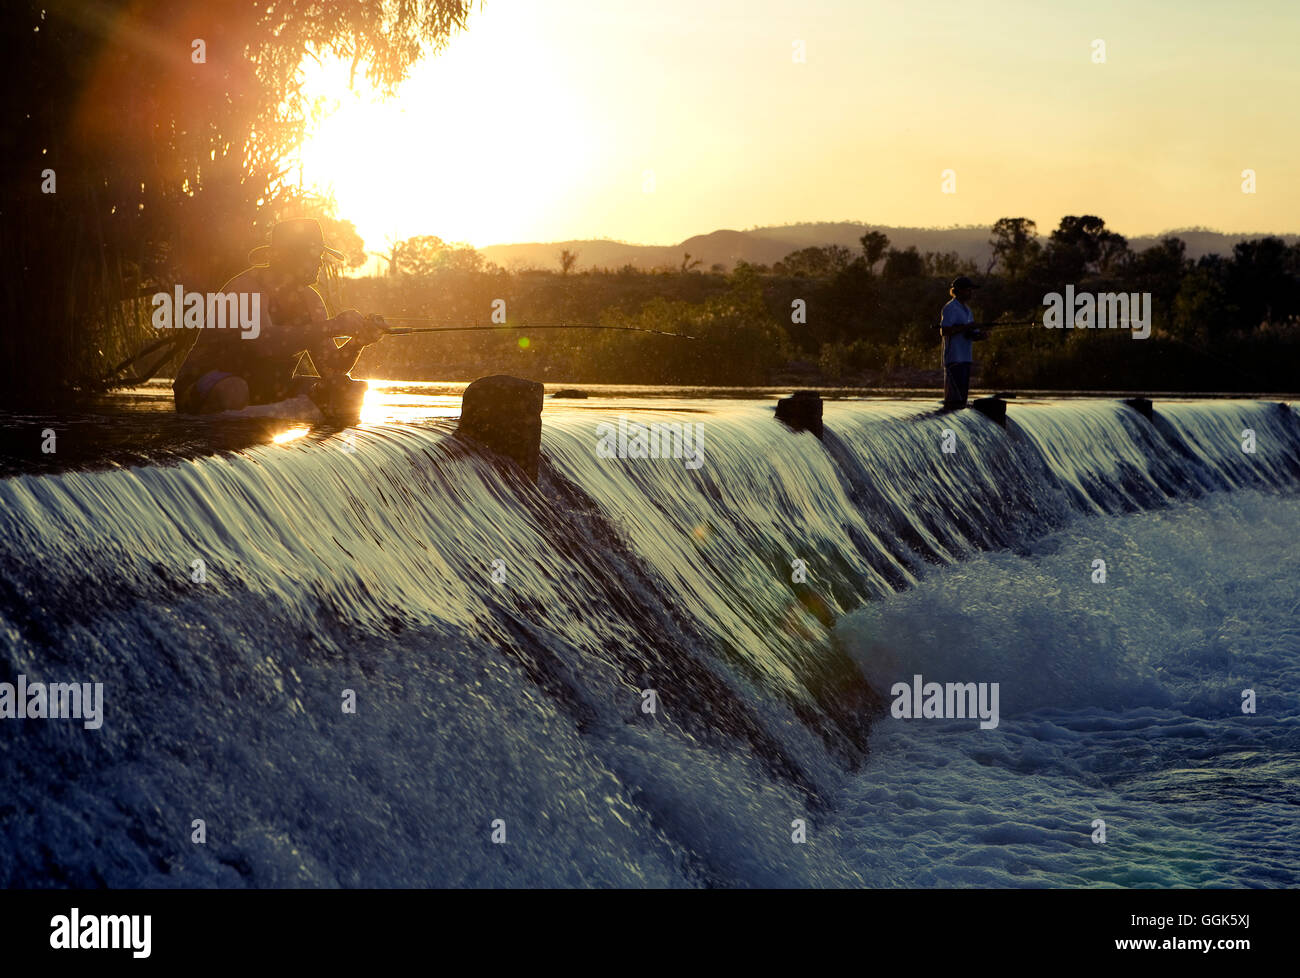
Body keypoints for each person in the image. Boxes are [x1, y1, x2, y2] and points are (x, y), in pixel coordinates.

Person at [172, 218, 385, 415]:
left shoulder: (310, 299)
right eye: (314, 256)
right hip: (211, 382)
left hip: (268, 386)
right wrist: (333, 327)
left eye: (320, 257)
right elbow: (266, 343)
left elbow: (330, 367)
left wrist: (358, 342)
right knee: (234, 389)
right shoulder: (246, 287)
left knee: (344, 391)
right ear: (289, 257)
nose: (320, 263)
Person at [936, 275, 986, 410]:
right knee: (954, 399)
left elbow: (968, 334)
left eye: (971, 290)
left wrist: (980, 335)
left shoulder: (968, 310)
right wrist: (966, 327)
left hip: (965, 358)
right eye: (967, 290)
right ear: (958, 291)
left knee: (962, 399)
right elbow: (944, 331)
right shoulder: (950, 308)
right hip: (954, 359)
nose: (970, 293)